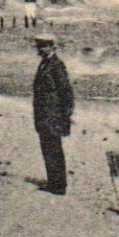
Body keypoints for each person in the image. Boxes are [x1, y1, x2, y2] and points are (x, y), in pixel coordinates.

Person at [32, 35, 74, 194]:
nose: (40, 49)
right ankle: (54, 182)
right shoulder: (45, 63)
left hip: (53, 116)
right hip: (44, 115)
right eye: (38, 46)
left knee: (53, 149)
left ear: (51, 46)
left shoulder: (56, 65)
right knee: (48, 148)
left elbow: (66, 91)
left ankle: (58, 185)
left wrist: (66, 114)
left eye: (43, 46)